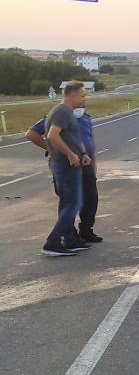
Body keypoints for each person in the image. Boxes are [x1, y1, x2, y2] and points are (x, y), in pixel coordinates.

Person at [27, 96, 102, 244]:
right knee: (70, 201)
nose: (83, 103)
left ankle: (86, 231)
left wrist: (93, 164)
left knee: (90, 199)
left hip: (85, 163)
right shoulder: (56, 117)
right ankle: (69, 236)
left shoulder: (86, 118)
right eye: (80, 99)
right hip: (66, 165)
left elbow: (89, 141)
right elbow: (31, 134)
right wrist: (53, 149)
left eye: (84, 100)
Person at [39, 81, 92, 256]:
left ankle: (70, 240)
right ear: (72, 95)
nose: (85, 98)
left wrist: (83, 153)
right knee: (73, 203)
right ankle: (52, 243)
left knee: (68, 204)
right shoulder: (61, 111)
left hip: (73, 164)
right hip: (65, 165)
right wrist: (70, 154)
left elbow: (73, 137)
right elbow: (52, 135)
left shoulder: (68, 113)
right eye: (82, 95)